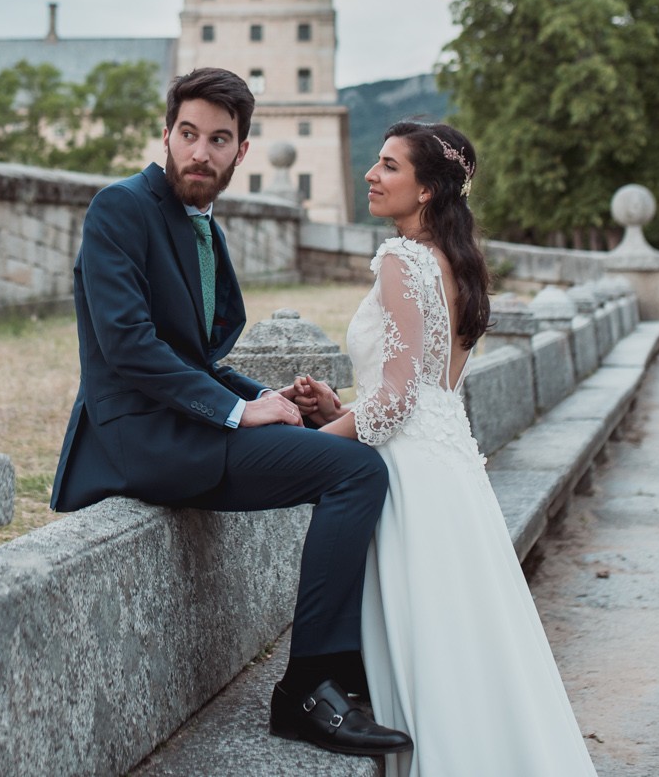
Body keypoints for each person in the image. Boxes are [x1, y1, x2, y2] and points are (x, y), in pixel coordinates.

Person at [50, 68, 413, 760]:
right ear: (167, 134)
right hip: (139, 438)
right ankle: (309, 688)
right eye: (189, 134)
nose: (200, 152)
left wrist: (276, 403)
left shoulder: (205, 225)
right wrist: (237, 411)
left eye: (219, 139)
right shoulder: (119, 208)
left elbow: (199, 356)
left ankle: (346, 669)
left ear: (241, 151)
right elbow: (129, 347)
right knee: (356, 472)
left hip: (186, 424)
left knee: (353, 461)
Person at [291, 121, 599, 776]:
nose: (371, 175)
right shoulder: (459, 262)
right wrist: (343, 407)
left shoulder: (402, 260)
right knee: (474, 640)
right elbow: (424, 390)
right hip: (449, 465)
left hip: (411, 472)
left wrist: (318, 442)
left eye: (388, 166)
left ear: (427, 189)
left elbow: (399, 401)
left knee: (436, 642)